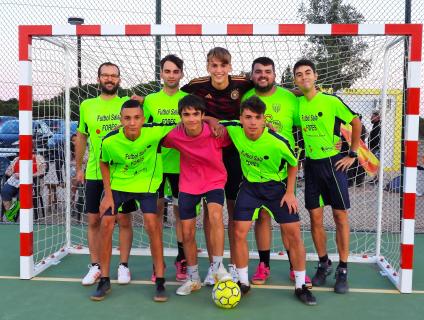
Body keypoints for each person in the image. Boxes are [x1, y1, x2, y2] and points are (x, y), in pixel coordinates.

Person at [222, 96, 316, 305]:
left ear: (264, 119)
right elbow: (214, 122)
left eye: (257, 117)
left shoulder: (278, 141)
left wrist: (290, 192)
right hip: (250, 187)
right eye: (248, 117)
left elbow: (294, 163)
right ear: (241, 118)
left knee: (293, 234)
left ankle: (301, 286)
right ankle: (243, 283)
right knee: (238, 231)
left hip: (277, 188)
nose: (253, 122)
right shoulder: (234, 129)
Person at [181, 47, 253, 284]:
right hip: (208, 155)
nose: (219, 70)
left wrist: (296, 92)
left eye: (223, 65)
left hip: (234, 153)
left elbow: (269, 89)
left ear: (230, 67)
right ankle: (214, 265)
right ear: (208, 66)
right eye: (214, 65)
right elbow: (174, 96)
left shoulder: (243, 83)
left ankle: (232, 265)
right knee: (210, 213)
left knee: (232, 210)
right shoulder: (196, 85)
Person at [92, 99, 174, 302]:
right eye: (127, 118)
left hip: (146, 185)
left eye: (137, 118)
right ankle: (104, 279)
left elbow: (186, 122)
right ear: (120, 119)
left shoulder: (154, 131)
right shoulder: (110, 140)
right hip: (119, 186)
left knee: (152, 224)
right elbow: (103, 163)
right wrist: (108, 195)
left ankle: (160, 280)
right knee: (107, 223)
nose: (132, 122)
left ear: (143, 119)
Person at [293, 59, 362, 294]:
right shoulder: (297, 104)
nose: (304, 78)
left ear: (316, 75)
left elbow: (355, 121)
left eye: (307, 73)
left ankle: (343, 268)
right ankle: (324, 263)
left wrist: (352, 154)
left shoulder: (331, 101)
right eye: (299, 75)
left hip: (334, 165)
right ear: (295, 80)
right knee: (315, 218)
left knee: (340, 216)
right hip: (311, 166)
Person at [241, 57, 311, 287]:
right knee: (261, 217)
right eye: (258, 71)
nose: (263, 75)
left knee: (287, 223)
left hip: (282, 173)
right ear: (252, 75)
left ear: (274, 75)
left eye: (268, 72)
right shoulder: (246, 98)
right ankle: (264, 265)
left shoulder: (290, 98)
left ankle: (295, 267)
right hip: (255, 171)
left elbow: (308, 125)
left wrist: (337, 143)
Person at [162, 95, 232, 296]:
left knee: (216, 216)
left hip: (214, 181)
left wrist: (213, 120)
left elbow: (239, 134)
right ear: (180, 116)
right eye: (186, 114)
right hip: (189, 184)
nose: (191, 118)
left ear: (203, 115)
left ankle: (218, 267)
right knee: (187, 232)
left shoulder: (217, 132)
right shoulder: (174, 135)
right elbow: (156, 139)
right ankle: (193, 278)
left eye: (196, 114)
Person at [76, 62, 136, 286]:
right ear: (99, 78)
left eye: (114, 76)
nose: (110, 79)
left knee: (123, 219)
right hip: (94, 171)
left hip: (122, 173)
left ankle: (123, 265)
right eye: (105, 75)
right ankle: (95, 266)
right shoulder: (87, 105)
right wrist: (79, 167)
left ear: (119, 79)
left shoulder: (127, 104)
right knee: (93, 219)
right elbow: (82, 137)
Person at [143, 54, 188, 282]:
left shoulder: (188, 99)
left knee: (182, 214)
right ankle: (157, 263)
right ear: (161, 74)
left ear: (181, 74)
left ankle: (182, 260)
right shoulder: (150, 100)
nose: (171, 75)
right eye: (167, 71)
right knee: (156, 214)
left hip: (183, 166)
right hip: (157, 166)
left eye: (175, 71)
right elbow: (143, 130)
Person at [1, 151, 46, 221]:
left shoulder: (39, 158)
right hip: (15, 180)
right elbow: (8, 171)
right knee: (5, 191)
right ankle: (11, 217)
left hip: (31, 181)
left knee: (22, 195)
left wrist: (26, 175)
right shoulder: (17, 159)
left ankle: (11, 216)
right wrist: (14, 174)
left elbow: (42, 171)